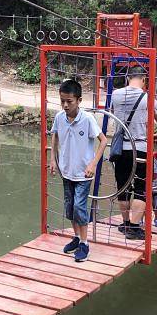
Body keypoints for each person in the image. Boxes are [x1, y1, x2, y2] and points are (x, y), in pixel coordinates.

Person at [49, 79, 108, 262]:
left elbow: (103, 141)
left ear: (79, 100)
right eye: (63, 101)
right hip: (66, 170)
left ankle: (84, 244)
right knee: (70, 208)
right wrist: (53, 158)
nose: (65, 105)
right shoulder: (59, 117)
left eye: (70, 101)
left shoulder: (87, 119)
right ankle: (76, 237)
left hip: (83, 173)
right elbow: (55, 135)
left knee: (79, 207)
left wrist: (92, 164)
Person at [110, 66, 157, 240]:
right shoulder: (148, 98)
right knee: (141, 188)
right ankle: (134, 227)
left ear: (128, 78)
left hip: (120, 150)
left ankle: (126, 223)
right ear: (144, 80)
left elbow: (114, 114)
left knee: (123, 186)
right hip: (140, 149)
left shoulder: (115, 95)